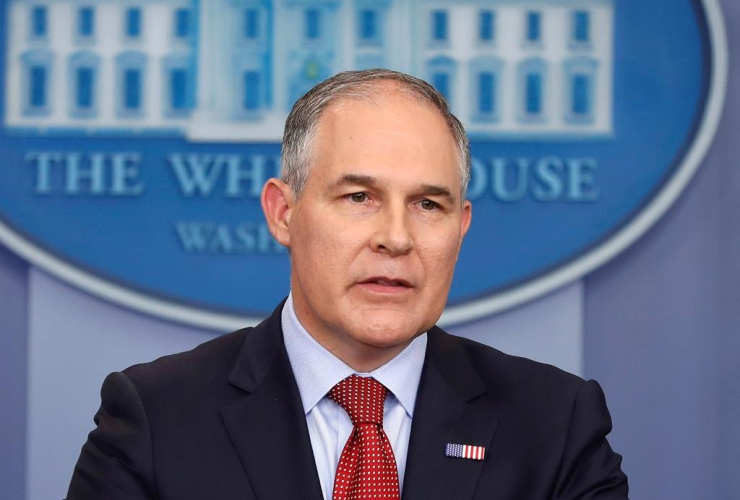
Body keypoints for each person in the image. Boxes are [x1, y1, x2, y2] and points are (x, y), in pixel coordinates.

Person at [66, 69, 629, 500]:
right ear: (283, 213)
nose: (395, 238)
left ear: (460, 230)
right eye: (359, 197)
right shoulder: (155, 419)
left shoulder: (557, 425)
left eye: (428, 204)